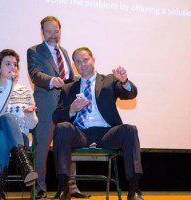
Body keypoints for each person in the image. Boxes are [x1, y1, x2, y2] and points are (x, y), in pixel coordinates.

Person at [52, 47, 144, 200]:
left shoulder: (109, 80)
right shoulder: (68, 88)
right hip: (80, 133)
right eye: (78, 62)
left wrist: (125, 81)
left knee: (130, 130)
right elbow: (56, 117)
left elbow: (129, 94)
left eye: (86, 60)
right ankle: (63, 188)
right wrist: (72, 109)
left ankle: (134, 190)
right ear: (75, 65)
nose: (83, 64)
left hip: (106, 133)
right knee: (62, 127)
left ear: (93, 60)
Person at [27, 16, 88, 199]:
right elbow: (35, 74)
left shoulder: (65, 52)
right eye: (49, 31)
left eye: (56, 30)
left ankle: (71, 187)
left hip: (67, 106)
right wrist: (51, 80)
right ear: (42, 32)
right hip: (46, 106)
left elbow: (67, 78)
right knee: (42, 147)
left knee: (68, 144)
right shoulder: (34, 51)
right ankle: (39, 189)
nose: (53, 34)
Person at [0, 49, 38, 200]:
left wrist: (29, 114)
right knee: (6, 118)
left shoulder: (25, 91)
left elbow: (31, 126)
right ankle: (24, 165)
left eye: (15, 64)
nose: (13, 67)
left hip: (19, 138)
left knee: (2, 136)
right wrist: (9, 87)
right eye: (8, 64)